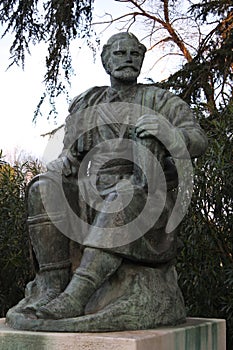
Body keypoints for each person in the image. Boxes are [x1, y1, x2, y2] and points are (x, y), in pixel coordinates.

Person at [12, 32, 208, 321]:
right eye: (119, 53)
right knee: (43, 187)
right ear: (105, 60)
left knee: (125, 194)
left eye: (134, 53)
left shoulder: (162, 101)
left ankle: (77, 295)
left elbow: (198, 140)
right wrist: (63, 162)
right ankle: (51, 287)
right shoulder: (89, 102)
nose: (127, 58)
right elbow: (71, 156)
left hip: (146, 198)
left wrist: (170, 133)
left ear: (141, 59)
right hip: (93, 192)